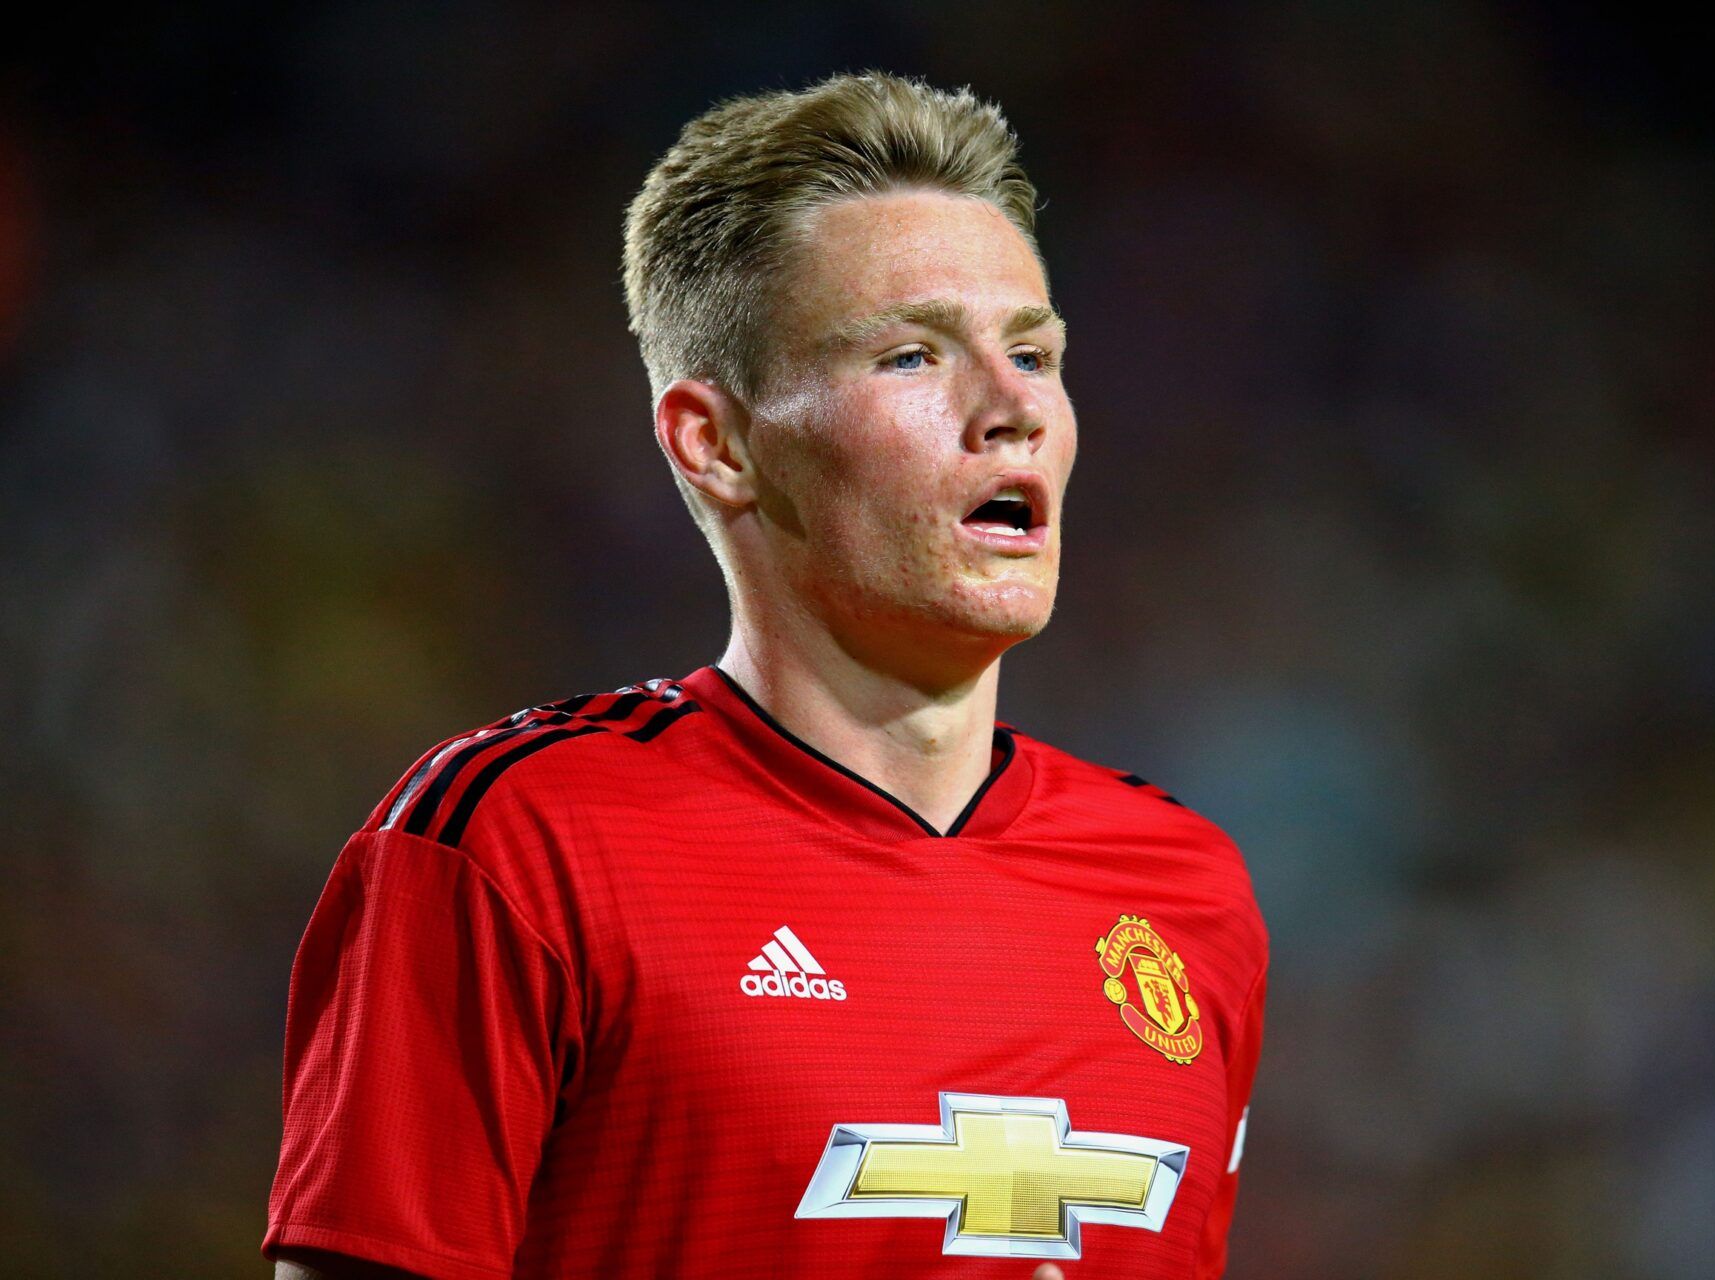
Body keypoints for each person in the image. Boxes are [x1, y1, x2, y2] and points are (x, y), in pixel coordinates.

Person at [263, 71, 1268, 1279]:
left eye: (1032, 351)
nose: (1013, 407)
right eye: (912, 355)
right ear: (719, 442)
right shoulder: (516, 843)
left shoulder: (1187, 889)